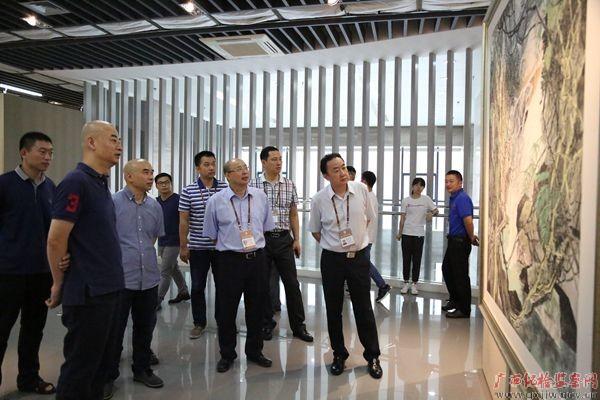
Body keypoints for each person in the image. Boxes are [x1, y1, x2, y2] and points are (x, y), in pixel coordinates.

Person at [47, 121, 125, 400]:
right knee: (80, 370)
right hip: (89, 292)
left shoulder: (100, 182)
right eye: (113, 139)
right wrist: (58, 283)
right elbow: (56, 239)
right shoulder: (76, 182)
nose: (119, 145)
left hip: (109, 288)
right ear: (91, 142)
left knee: (99, 369)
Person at [0, 132, 67, 395]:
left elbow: (55, 231)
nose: (48, 157)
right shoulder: (4, 185)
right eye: (42, 151)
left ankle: (29, 378)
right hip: (8, 273)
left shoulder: (51, 187)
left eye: (51, 153)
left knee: (33, 329)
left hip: (41, 273)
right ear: (24, 152)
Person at [308, 153, 383, 379]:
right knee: (334, 309)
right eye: (336, 170)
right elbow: (315, 230)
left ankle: (373, 356)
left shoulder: (361, 190)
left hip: (358, 258)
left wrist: (355, 242)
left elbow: (368, 218)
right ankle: (339, 354)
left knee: (364, 308)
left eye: (343, 167)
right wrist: (334, 245)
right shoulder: (319, 199)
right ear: (325, 176)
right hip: (332, 260)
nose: (343, 173)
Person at [203, 158, 275, 373]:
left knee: (257, 308)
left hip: (257, 259)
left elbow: (266, 227)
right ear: (227, 175)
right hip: (229, 261)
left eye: (245, 168)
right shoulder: (216, 201)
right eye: (238, 169)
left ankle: (254, 351)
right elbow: (211, 234)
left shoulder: (260, 196)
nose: (244, 172)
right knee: (226, 310)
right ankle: (227, 354)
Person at [105, 159, 165, 397]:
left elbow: (153, 238)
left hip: (148, 277)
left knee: (145, 327)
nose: (151, 176)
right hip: (121, 278)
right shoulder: (112, 203)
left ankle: (142, 369)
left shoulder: (155, 206)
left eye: (152, 172)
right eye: (145, 172)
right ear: (128, 176)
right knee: (114, 330)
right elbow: (105, 238)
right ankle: (108, 376)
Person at [249, 146, 313, 342]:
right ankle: (266, 324)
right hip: (262, 239)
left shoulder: (289, 184)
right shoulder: (253, 185)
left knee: (292, 284)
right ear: (263, 162)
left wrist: (297, 239)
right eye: (274, 159)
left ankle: (299, 326)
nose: (278, 163)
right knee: (264, 284)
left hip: (284, 239)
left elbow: (293, 213)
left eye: (280, 159)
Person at [179, 151, 228, 339]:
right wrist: (184, 246)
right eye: (206, 164)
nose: (211, 168)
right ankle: (199, 323)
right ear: (198, 168)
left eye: (213, 164)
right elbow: (184, 220)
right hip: (198, 247)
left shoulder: (224, 188)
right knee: (197, 286)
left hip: (222, 247)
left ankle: (223, 321)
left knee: (223, 286)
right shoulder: (188, 190)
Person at [441, 170, 479, 318]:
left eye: (451, 181)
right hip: (453, 241)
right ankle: (455, 300)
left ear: (460, 183)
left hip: (460, 242)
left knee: (460, 275)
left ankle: (464, 309)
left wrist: (471, 237)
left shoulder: (462, 199)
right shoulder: (454, 198)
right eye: (446, 181)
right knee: (447, 270)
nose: (448, 184)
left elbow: (468, 221)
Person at [395, 177, 439, 295]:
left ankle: (414, 284)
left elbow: (436, 210)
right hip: (406, 233)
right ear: (412, 186)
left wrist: (431, 213)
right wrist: (399, 233)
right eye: (417, 185)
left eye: (421, 186)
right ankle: (405, 283)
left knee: (417, 259)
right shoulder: (406, 200)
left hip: (419, 234)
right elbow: (402, 218)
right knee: (406, 259)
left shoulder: (426, 199)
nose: (419, 188)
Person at [155, 173, 190, 309]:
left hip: (175, 241)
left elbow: (185, 221)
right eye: (161, 183)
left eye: (166, 182)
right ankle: (183, 291)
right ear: (156, 185)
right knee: (173, 267)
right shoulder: (156, 202)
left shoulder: (179, 200)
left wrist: (184, 243)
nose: (164, 185)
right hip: (162, 240)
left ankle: (157, 301)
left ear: (171, 183)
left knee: (165, 271)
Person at [360, 171, 391, 302]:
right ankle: (364, 288)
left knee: (364, 263)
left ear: (364, 181)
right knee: (363, 263)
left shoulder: (367, 197)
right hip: (367, 235)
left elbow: (365, 218)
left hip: (365, 236)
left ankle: (382, 285)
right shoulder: (371, 196)